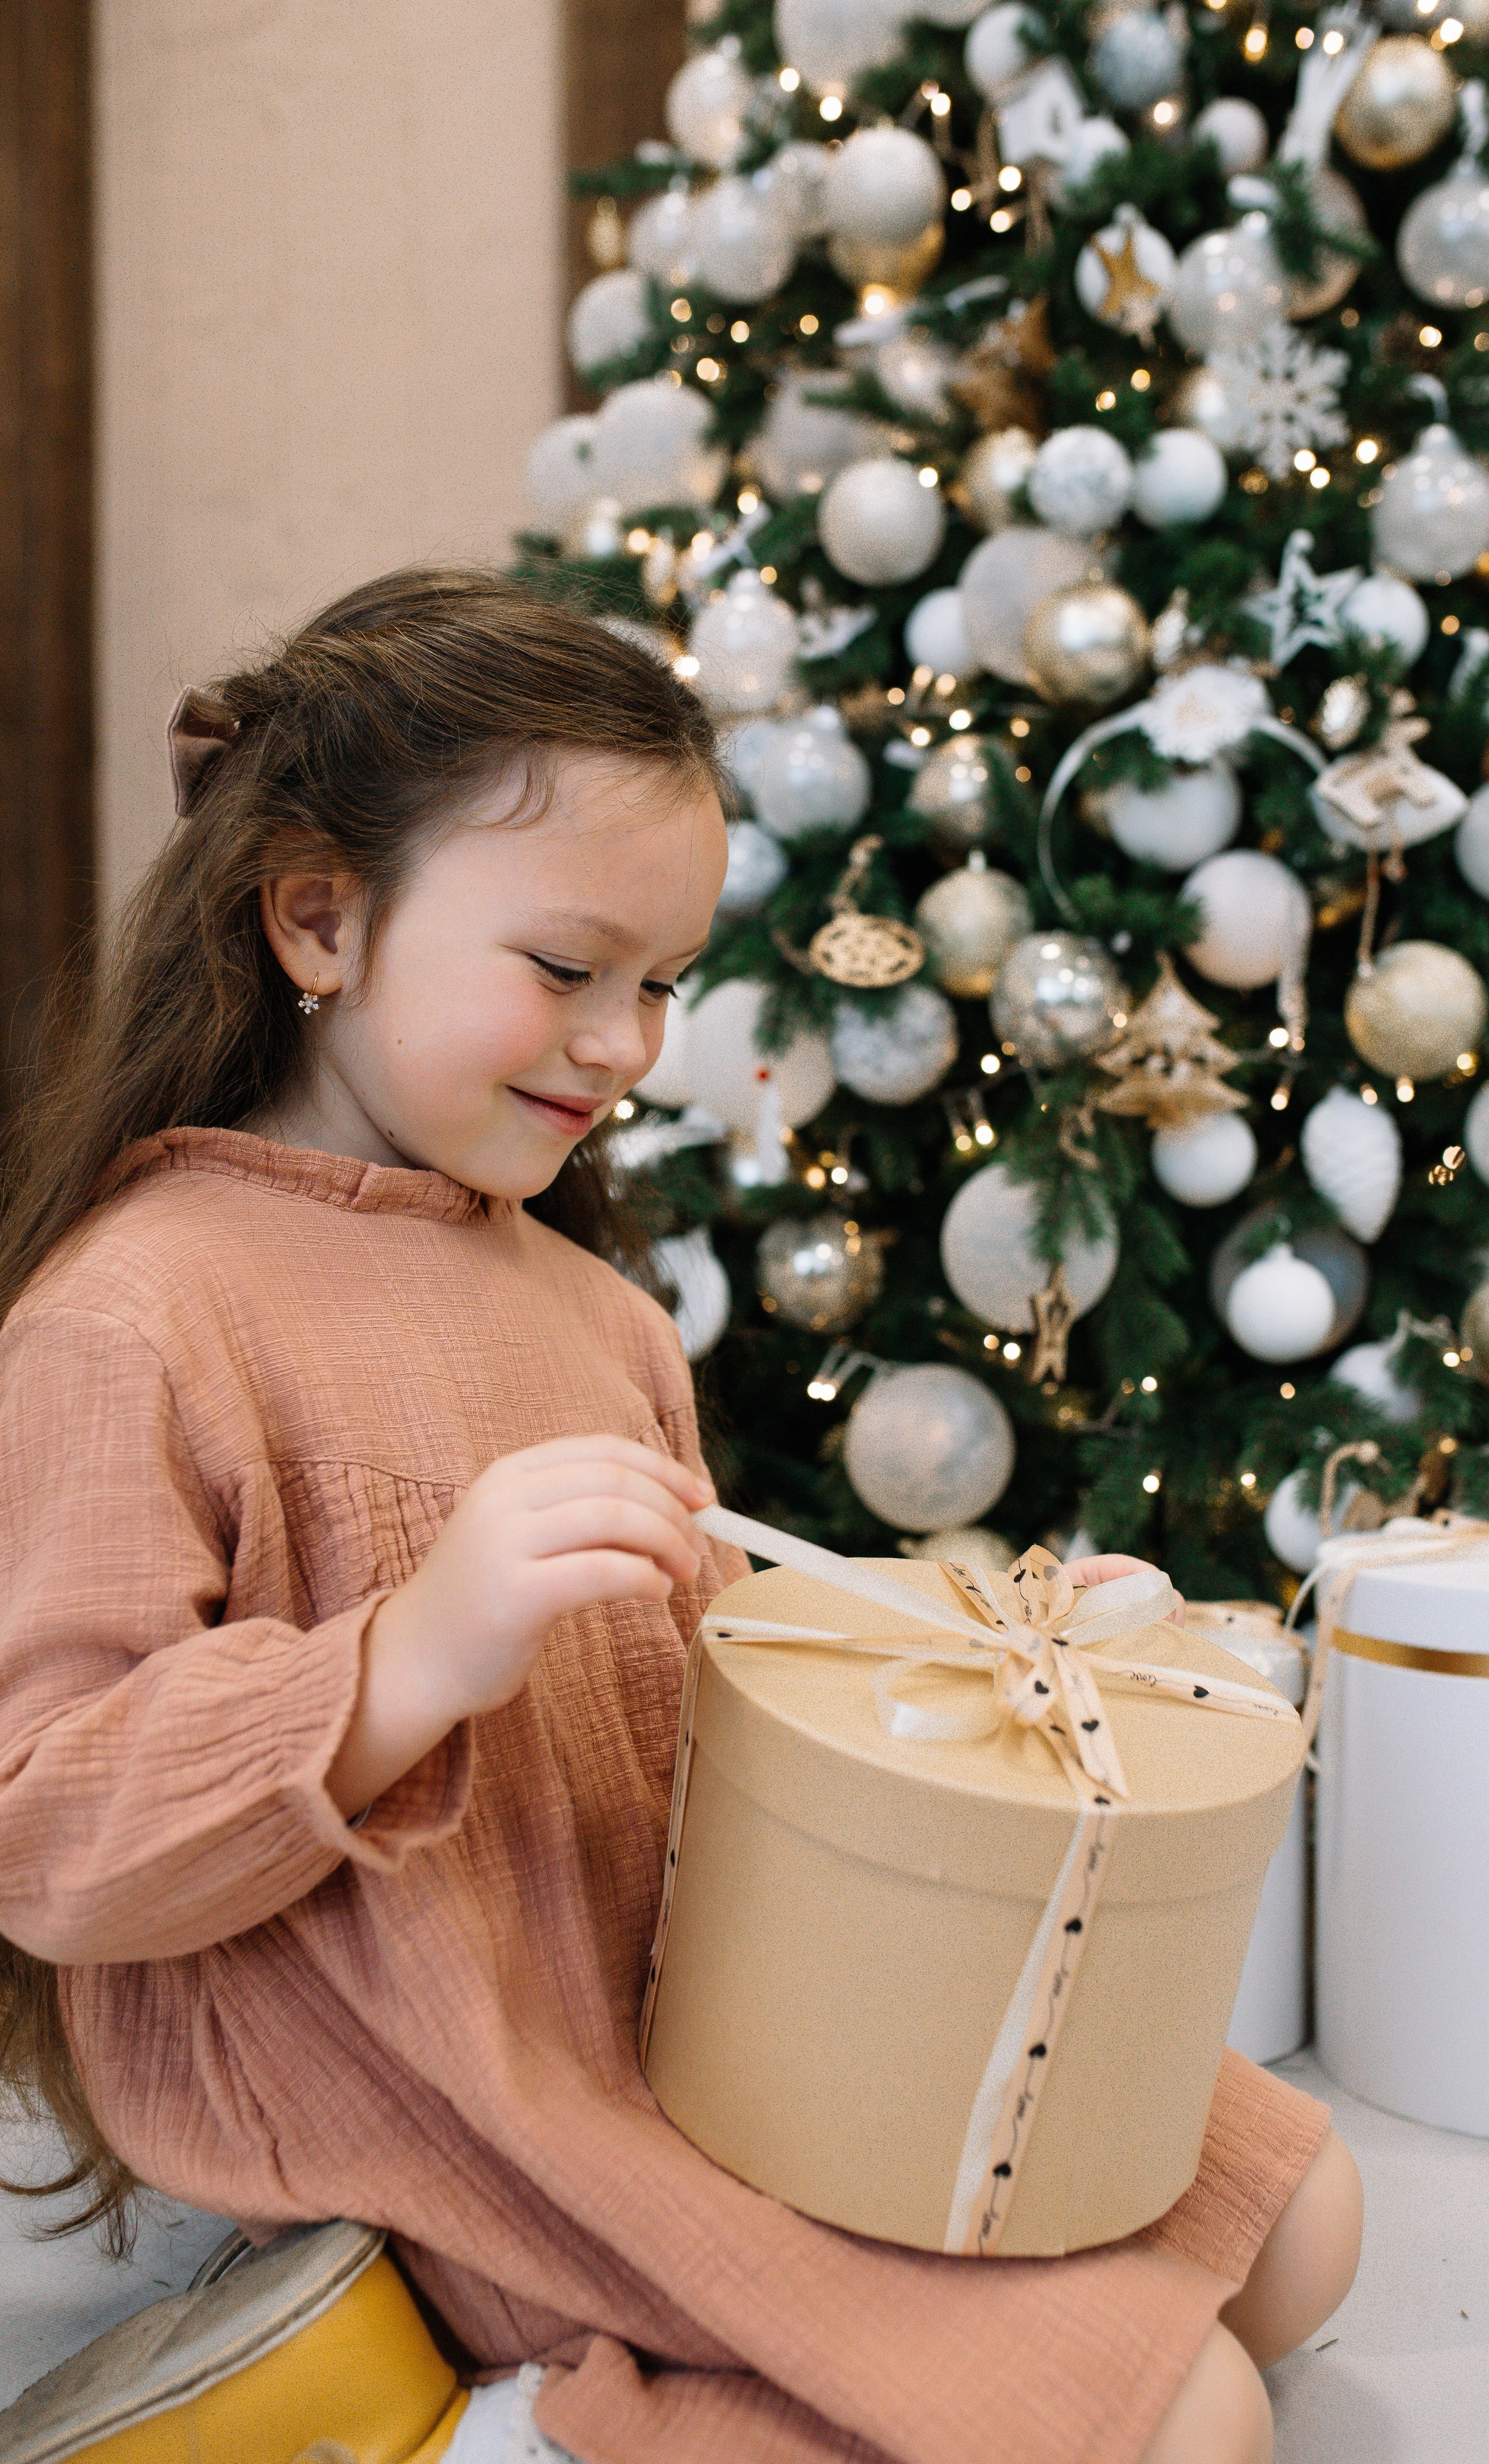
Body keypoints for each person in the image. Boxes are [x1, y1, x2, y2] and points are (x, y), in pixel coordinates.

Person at [0, 570, 1359, 2464]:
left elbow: (714, 1684)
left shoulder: (598, 1314)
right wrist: (398, 1664)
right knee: (1191, 2421)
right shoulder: (135, 1314)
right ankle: (534, 2413)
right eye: (567, 972)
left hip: (701, 1999)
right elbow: (49, 1831)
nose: (626, 1045)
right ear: (320, 916)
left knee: (1303, 2231)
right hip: (462, 2084)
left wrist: (986, 1651)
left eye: (663, 985)